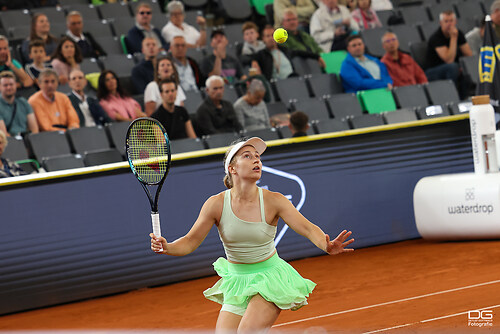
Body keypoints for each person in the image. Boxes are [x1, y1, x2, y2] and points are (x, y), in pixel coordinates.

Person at [150, 136, 355, 333]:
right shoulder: (216, 204)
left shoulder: (275, 200)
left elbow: (307, 227)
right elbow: (190, 241)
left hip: (270, 279)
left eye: (258, 156)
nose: (256, 159)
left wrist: (325, 244)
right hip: (237, 281)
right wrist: (168, 247)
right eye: (247, 156)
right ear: (232, 168)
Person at [425, 11, 472, 97]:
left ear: (455, 22)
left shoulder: (459, 33)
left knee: (467, 67)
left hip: (453, 67)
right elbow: (449, 60)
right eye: (446, 21)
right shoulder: (436, 37)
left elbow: (469, 55)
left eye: (451, 21)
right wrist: (453, 38)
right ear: (441, 23)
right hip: (433, 71)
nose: (449, 24)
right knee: (453, 67)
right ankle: (452, 96)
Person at [0, 71, 39, 137]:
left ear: (15, 85)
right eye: (5, 85)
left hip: (26, 139)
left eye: (11, 84)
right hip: (9, 142)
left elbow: (34, 130)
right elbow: (3, 135)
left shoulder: (23, 102)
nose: (9, 88)